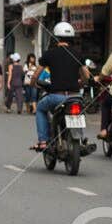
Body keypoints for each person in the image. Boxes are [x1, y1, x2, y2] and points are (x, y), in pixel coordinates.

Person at [33, 22, 89, 151]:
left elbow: (36, 75)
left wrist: (33, 84)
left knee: (40, 109)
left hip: (56, 97)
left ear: (56, 37)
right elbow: (85, 75)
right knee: (79, 113)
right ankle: (80, 139)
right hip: (75, 97)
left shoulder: (49, 54)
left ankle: (43, 141)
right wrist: (82, 83)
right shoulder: (77, 54)